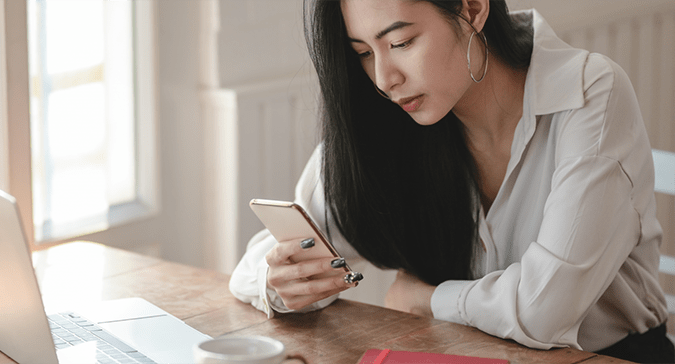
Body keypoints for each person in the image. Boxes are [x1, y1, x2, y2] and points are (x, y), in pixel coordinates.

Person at [228, 0, 675, 362]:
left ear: (472, 9)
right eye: (363, 52)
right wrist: (283, 283)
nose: (384, 79)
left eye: (401, 42)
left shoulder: (588, 93)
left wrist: (425, 299)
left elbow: (544, 311)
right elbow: (258, 265)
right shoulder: (391, 117)